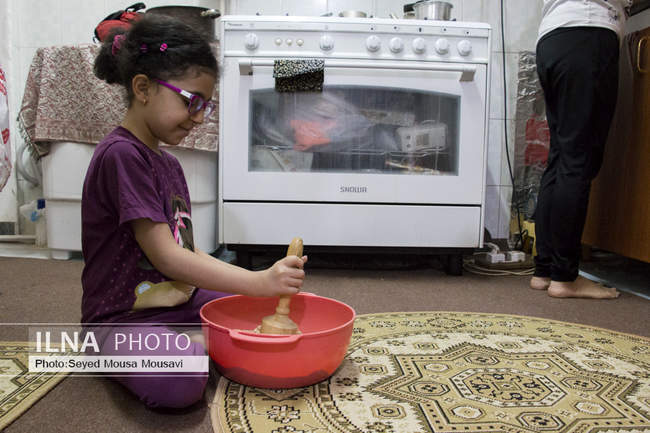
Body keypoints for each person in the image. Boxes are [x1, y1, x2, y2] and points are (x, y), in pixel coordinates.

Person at [82, 15, 307, 409]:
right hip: (121, 318)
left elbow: (186, 251)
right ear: (143, 88)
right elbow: (166, 258)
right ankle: (169, 348)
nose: (200, 117)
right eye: (192, 102)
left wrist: (260, 283)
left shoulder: (168, 164)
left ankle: (196, 341)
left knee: (274, 308)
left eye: (207, 105)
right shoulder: (122, 155)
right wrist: (257, 281)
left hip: (178, 303)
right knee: (182, 377)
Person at [530, 0, 631, 299]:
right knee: (577, 159)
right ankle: (564, 278)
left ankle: (544, 270)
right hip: (587, 33)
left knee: (560, 157)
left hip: (552, 37)